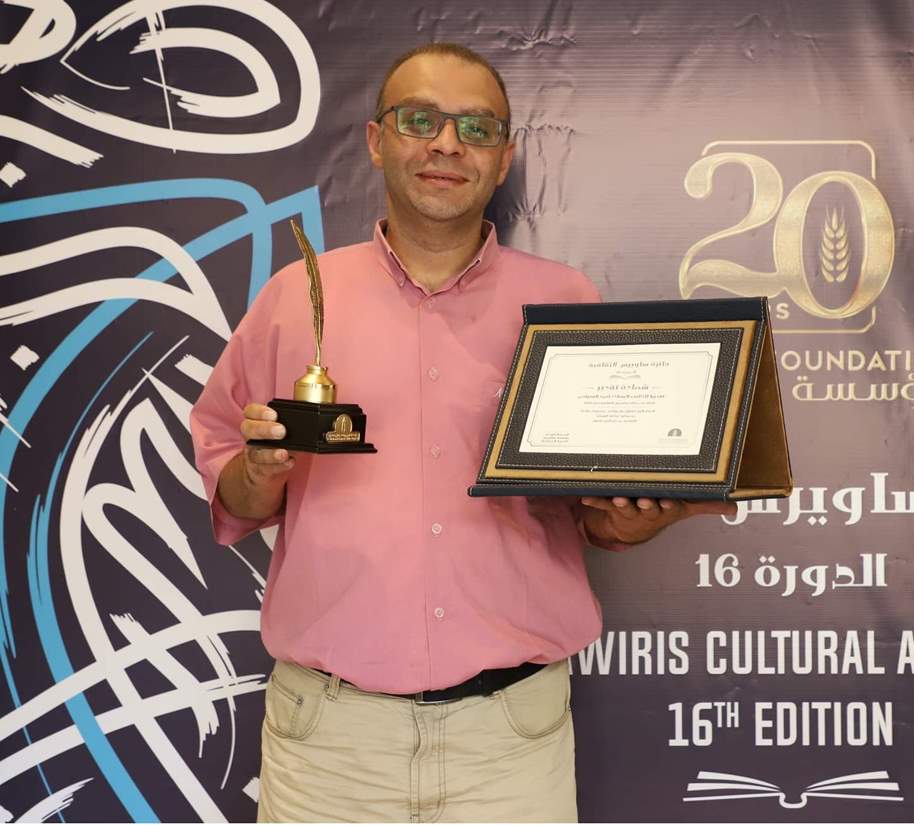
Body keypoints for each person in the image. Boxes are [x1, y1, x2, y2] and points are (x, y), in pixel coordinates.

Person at [190, 42, 735, 823]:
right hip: (331, 746)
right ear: (377, 140)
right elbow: (234, 487)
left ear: (503, 157)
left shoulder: (564, 303)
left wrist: (635, 516)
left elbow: (594, 514)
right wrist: (259, 468)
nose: (447, 144)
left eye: (476, 128)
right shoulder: (296, 298)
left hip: (509, 743)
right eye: (421, 120)